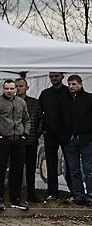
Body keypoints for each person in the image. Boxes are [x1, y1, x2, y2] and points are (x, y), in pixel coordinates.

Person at [0, 79, 30, 212]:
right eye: (7, 89)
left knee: (17, 170)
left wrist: (25, 134)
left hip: (19, 141)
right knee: (1, 169)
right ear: (3, 89)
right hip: (3, 140)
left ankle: (15, 199)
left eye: (12, 88)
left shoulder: (21, 102)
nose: (9, 91)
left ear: (16, 89)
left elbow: (26, 120)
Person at [39, 72, 72, 201]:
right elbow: (39, 114)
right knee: (51, 165)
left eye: (56, 76)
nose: (53, 79)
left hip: (67, 134)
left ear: (62, 77)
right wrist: (43, 130)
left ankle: (74, 192)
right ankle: (52, 193)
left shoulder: (69, 92)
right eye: (51, 77)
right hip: (50, 134)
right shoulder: (45, 94)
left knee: (70, 165)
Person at [62, 74, 92, 206]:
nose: (71, 87)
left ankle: (90, 196)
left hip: (86, 139)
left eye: (73, 84)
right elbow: (60, 119)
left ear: (81, 84)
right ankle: (78, 195)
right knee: (73, 169)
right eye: (69, 84)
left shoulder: (89, 99)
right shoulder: (64, 100)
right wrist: (64, 136)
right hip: (70, 140)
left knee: (89, 169)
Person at [15, 77, 43, 203]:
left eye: (21, 86)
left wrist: (35, 134)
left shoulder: (34, 103)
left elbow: (41, 120)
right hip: (15, 142)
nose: (19, 88)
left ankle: (31, 194)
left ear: (27, 88)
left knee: (31, 170)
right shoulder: (10, 102)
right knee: (17, 169)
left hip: (31, 141)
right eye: (17, 86)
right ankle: (16, 195)